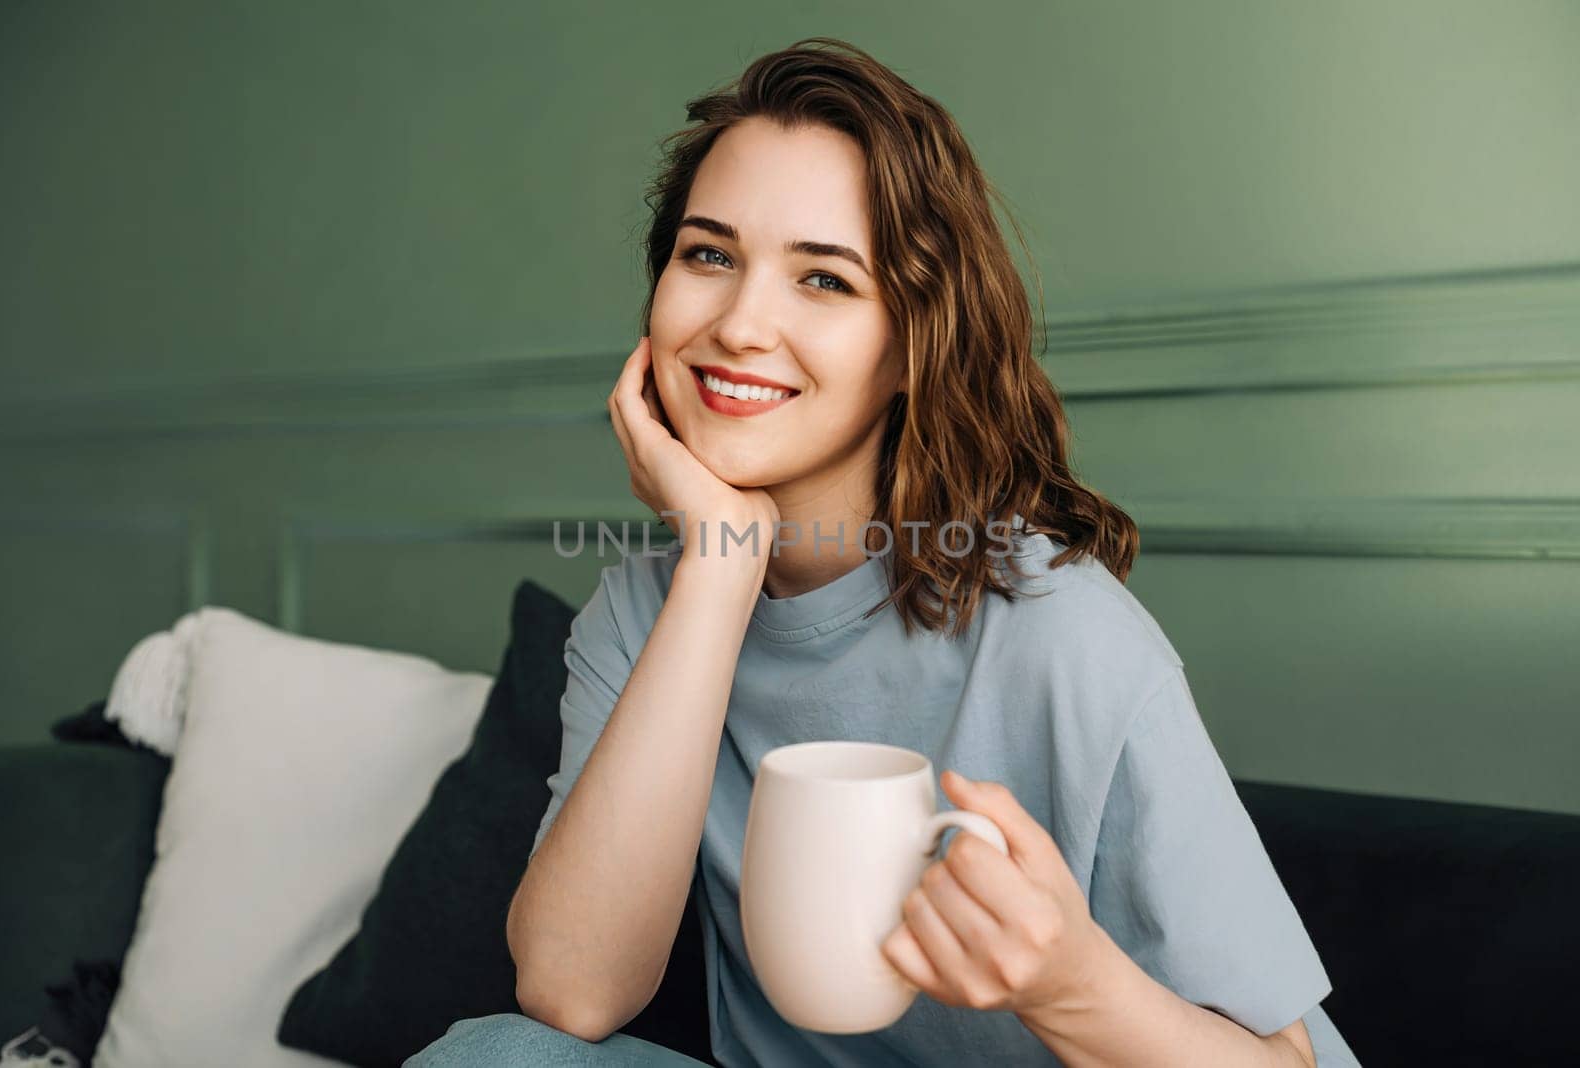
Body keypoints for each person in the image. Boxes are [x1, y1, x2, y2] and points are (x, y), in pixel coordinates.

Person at [408, 36, 1359, 1068]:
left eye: (822, 279)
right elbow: (573, 991)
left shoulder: (1062, 632)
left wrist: (1068, 984)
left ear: (911, 342)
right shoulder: (642, 614)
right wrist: (721, 570)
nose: (739, 324)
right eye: (708, 255)